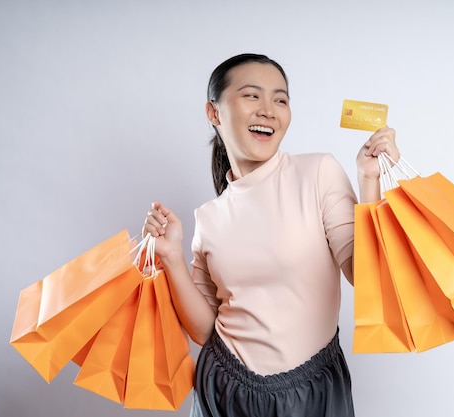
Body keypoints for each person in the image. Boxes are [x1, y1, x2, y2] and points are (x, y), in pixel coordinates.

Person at [143, 53, 400, 417]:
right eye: (252, 96)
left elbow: (368, 277)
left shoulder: (318, 172)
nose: (268, 110)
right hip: (224, 389)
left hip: (313, 391)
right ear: (214, 113)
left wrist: (369, 181)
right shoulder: (209, 216)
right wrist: (170, 256)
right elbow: (203, 330)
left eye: (280, 99)